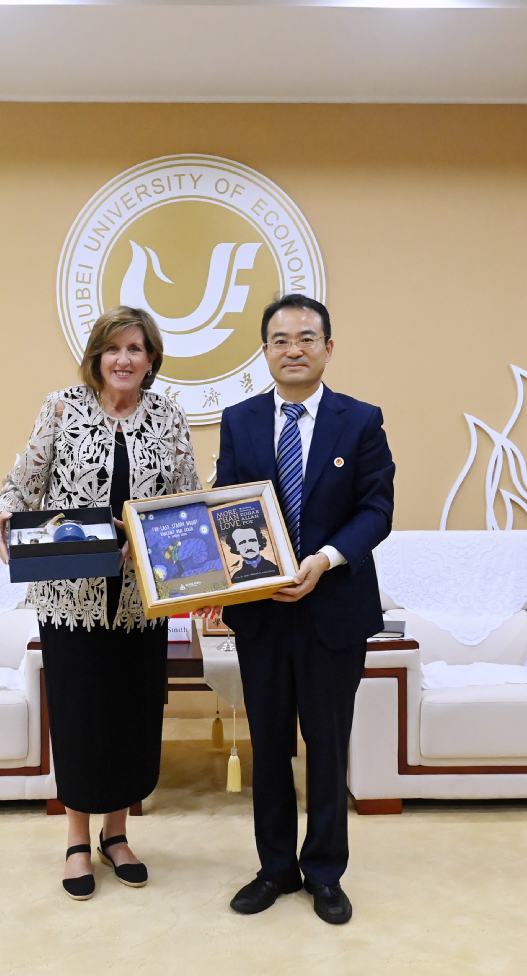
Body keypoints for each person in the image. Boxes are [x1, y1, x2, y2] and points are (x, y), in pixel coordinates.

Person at [0, 306, 200, 901]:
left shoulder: (168, 415)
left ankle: (118, 834)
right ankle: (77, 840)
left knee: (131, 715)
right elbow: (22, 484)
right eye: (113, 348)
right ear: (97, 357)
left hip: (140, 599)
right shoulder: (62, 407)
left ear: (151, 358)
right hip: (70, 596)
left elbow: (187, 500)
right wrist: (1, 517)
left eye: (136, 348)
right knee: (80, 717)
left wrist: (189, 561)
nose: (124, 359)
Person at [215, 294, 394, 925]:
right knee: (268, 745)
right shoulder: (238, 421)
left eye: (306, 338)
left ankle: (324, 872)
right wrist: (237, 577)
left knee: (327, 744)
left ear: (328, 347)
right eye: (281, 340)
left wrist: (323, 559)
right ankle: (274, 869)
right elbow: (227, 505)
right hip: (262, 612)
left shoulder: (361, 420)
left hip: (334, 610)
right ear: (265, 351)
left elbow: (377, 510)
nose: (294, 349)